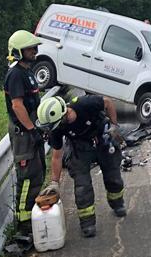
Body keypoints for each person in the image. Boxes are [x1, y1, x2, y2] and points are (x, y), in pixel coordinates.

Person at [36, 95, 126, 238]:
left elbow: (108, 102)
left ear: (65, 114)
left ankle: (117, 203)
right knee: (82, 186)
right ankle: (87, 223)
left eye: (57, 124)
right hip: (79, 146)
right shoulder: (56, 129)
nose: (55, 128)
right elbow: (57, 156)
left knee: (112, 175)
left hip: (101, 137)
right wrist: (54, 182)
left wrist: (114, 126)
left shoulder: (85, 104)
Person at [3, 30, 45, 236]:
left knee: (37, 175)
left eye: (34, 47)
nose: (34, 51)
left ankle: (34, 219)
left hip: (31, 130)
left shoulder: (27, 71)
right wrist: (31, 129)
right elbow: (17, 106)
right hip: (23, 134)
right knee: (27, 178)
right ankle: (24, 226)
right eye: (30, 48)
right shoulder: (16, 74)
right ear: (19, 51)